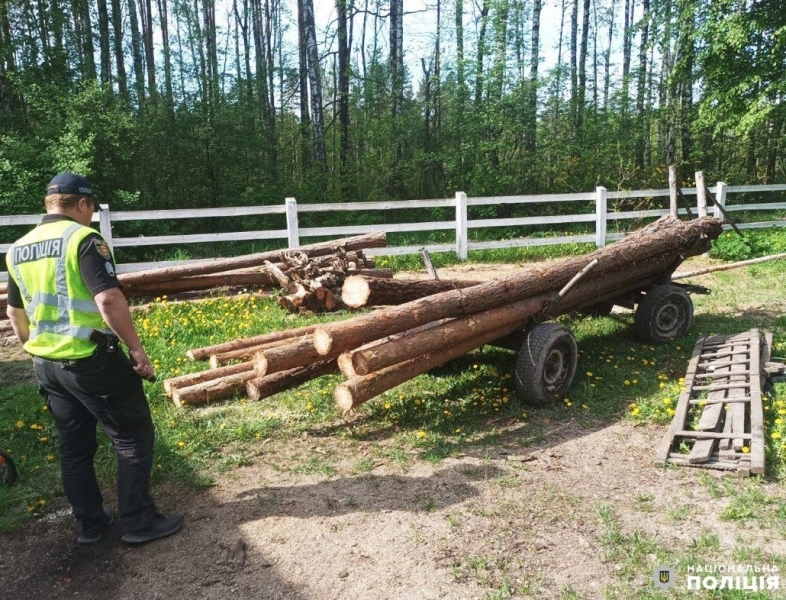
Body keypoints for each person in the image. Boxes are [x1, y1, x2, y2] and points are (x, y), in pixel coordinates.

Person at [5, 173, 184, 544]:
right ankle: (138, 521)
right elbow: (107, 299)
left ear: (49, 204)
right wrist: (137, 349)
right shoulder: (83, 239)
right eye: (91, 209)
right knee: (132, 436)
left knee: (74, 446)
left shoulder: (18, 248)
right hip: (90, 359)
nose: (91, 216)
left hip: (46, 365)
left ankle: (90, 524)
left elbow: (14, 315)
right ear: (82, 203)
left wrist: (33, 347)